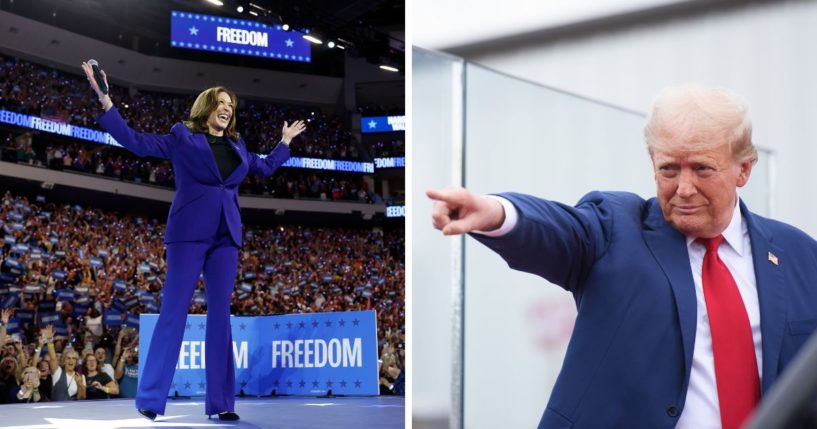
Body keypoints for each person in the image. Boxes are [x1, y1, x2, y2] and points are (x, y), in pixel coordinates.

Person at [427, 86, 817, 429]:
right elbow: (561, 229)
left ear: (743, 169)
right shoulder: (616, 229)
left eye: (701, 169)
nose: (683, 188)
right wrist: (496, 213)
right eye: (668, 169)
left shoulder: (800, 255)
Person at [81, 61, 306, 421]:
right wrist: (106, 103)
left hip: (226, 236)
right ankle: (151, 400)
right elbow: (138, 143)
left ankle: (221, 403)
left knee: (221, 317)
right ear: (208, 106)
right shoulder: (182, 136)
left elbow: (262, 167)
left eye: (231, 105)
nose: (227, 108)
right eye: (221, 102)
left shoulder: (237, 145)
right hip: (187, 234)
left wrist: (284, 143)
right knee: (174, 312)